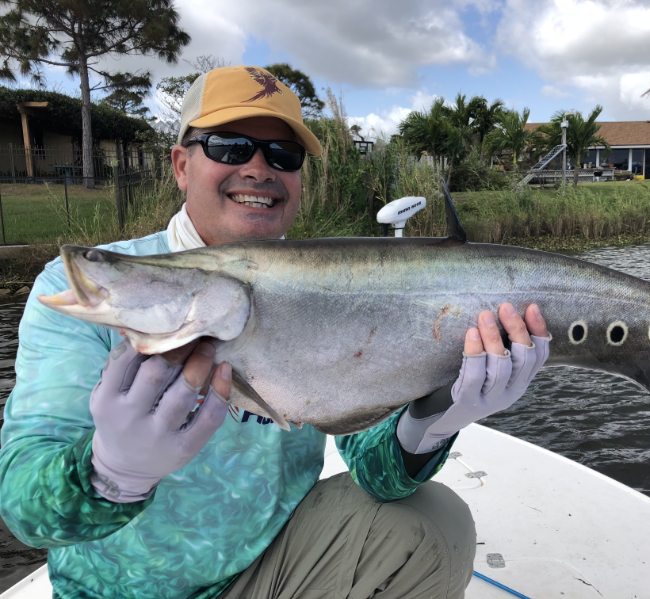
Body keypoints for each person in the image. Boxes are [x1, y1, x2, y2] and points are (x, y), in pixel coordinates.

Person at [0, 66, 549, 598]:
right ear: (181, 166)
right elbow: (24, 511)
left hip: (272, 570)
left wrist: (435, 416)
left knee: (432, 526)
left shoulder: (336, 288)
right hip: (117, 592)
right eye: (229, 147)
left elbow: (378, 477)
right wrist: (109, 474)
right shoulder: (95, 288)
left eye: (283, 155)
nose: (259, 168)